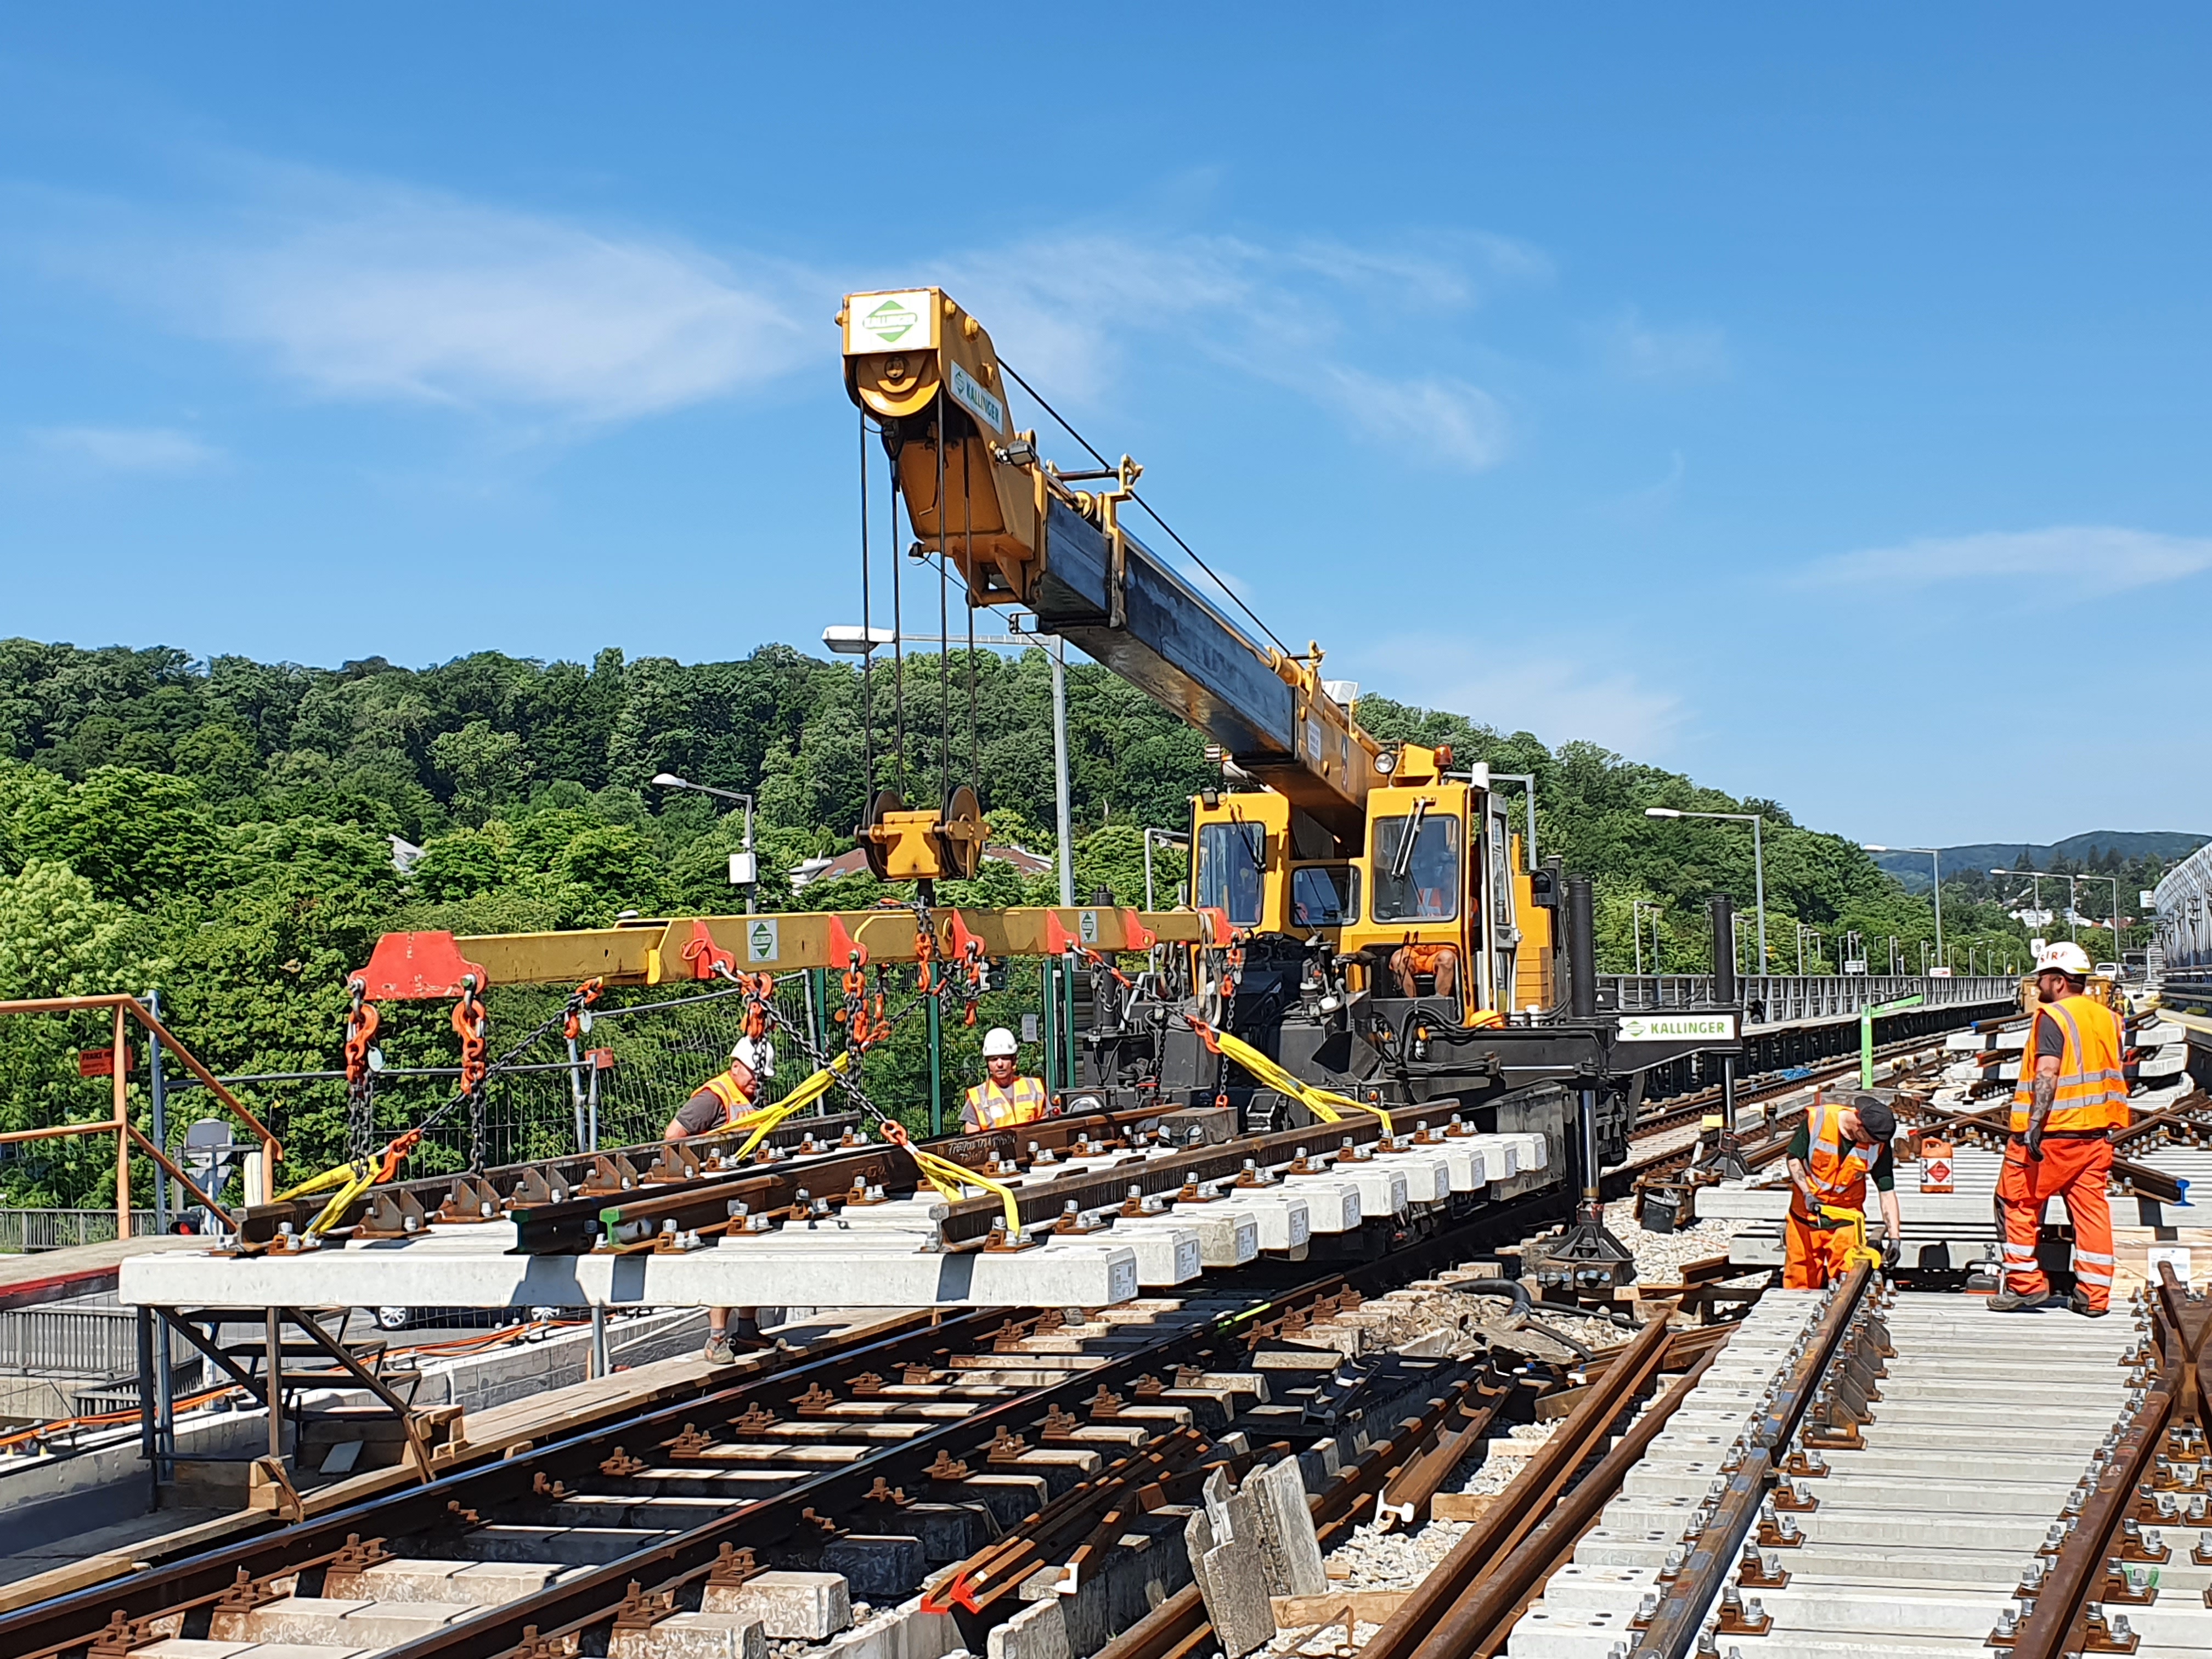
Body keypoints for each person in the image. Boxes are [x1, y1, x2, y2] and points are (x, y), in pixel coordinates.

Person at [1991, 941, 2128, 1316]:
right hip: (2096, 1135)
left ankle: (2025, 1285)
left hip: (2052, 1136)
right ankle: (2094, 1296)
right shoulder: (2109, 1018)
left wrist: (2035, 1123)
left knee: (2016, 1202)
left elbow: (2048, 1071)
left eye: (2042, 979)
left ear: (2059, 980)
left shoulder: (2053, 1016)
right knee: (2091, 1211)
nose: (2038, 987)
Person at [665, 1039, 773, 1362]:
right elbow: (673, 1138)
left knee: (749, 1257)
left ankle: (748, 1330)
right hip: (717, 1193)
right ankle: (716, 1339)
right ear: (736, 1065)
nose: (758, 1082)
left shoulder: (750, 1095)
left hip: (743, 1190)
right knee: (724, 1263)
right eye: (755, 1075)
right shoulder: (713, 1099)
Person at [1783, 1092, 1902, 1289]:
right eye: (1872, 1140)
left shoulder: (1878, 1144)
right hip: (1806, 1218)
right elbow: (1794, 1158)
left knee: (1848, 1281)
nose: (1874, 1145)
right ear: (1860, 1126)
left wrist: (1895, 1237)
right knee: (1800, 1280)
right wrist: (1807, 1193)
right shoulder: (1818, 1121)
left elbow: (1887, 1191)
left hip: (1846, 1220)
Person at [962, 1026, 1049, 1132]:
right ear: (987, 1063)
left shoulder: (1034, 1088)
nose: (1000, 1064)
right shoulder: (977, 1098)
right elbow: (973, 1143)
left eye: (1004, 1058)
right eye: (994, 1059)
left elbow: (1046, 1130)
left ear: (1014, 1060)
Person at [1389, 942, 1459, 999]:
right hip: (1413, 950)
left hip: (1443, 948)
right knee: (1398, 960)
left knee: (1447, 958)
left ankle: (1441, 1004)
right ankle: (1410, 1003)